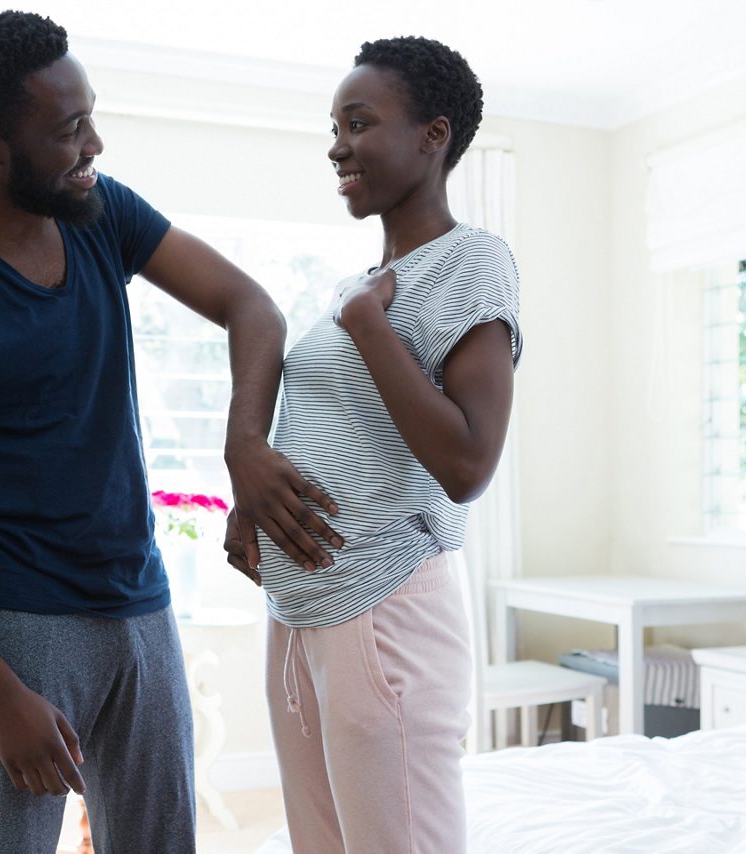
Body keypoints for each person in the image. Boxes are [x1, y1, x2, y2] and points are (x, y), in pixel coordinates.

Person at [0, 10, 343, 854]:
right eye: (70, 130)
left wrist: (245, 450)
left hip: (140, 604)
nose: (96, 146)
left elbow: (250, 306)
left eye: (91, 116)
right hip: (13, 623)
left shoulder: (97, 212)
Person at [224, 36, 522, 853]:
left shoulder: (472, 261)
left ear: (434, 134)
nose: (337, 145)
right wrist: (251, 493)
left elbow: (467, 464)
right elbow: (334, 421)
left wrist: (365, 323)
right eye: (334, 125)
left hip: (386, 604)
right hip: (303, 613)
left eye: (358, 122)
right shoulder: (358, 283)